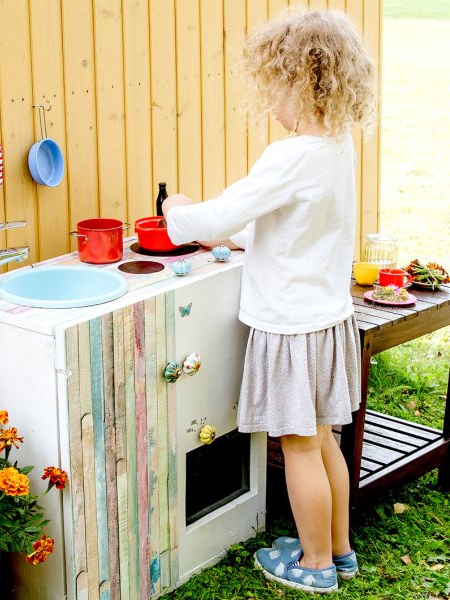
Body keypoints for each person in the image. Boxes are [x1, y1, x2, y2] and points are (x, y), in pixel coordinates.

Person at [162, 8, 376, 595]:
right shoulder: (336, 147)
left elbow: (224, 211)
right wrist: (238, 236)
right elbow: (298, 227)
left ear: (303, 82)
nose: (271, 102)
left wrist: (176, 213)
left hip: (289, 326)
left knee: (299, 447)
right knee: (326, 437)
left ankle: (312, 565)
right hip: (327, 317)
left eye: (275, 86)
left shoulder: (290, 155)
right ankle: (338, 550)